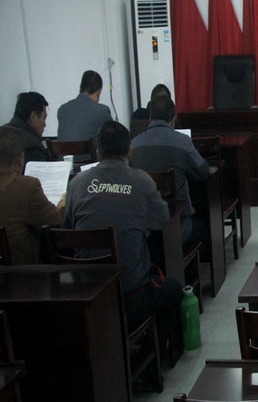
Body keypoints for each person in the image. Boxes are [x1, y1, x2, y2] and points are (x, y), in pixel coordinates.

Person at [63, 120, 181, 353]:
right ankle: (151, 357)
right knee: (173, 289)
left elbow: (67, 229)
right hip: (130, 297)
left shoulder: (77, 184)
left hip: (87, 294)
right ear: (129, 150)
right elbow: (162, 221)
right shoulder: (142, 181)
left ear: (98, 152)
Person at [130, 96, 209, 245]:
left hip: (145, 230)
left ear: (150, 118)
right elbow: (203, 172)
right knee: (204, 227)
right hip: (178, 228)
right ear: (173, 119)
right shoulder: (183, 141)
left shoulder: (134, 144)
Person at [0, 126, 64, 264]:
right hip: (23, 273)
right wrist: (63, 202)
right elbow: (56, 220)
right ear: (20, 160)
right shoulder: (27, 187)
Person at [56, 70, 112, 141]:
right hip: (89, 149)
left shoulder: (62, 110)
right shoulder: (102, 111)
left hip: (63, 149)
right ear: (98, 92)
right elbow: (113, 139)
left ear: (80, 88)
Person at [4, 92, 49, 164]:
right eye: (44, 118)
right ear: (33, 116)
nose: (45, 125)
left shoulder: (2, 134)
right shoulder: (32, 145)